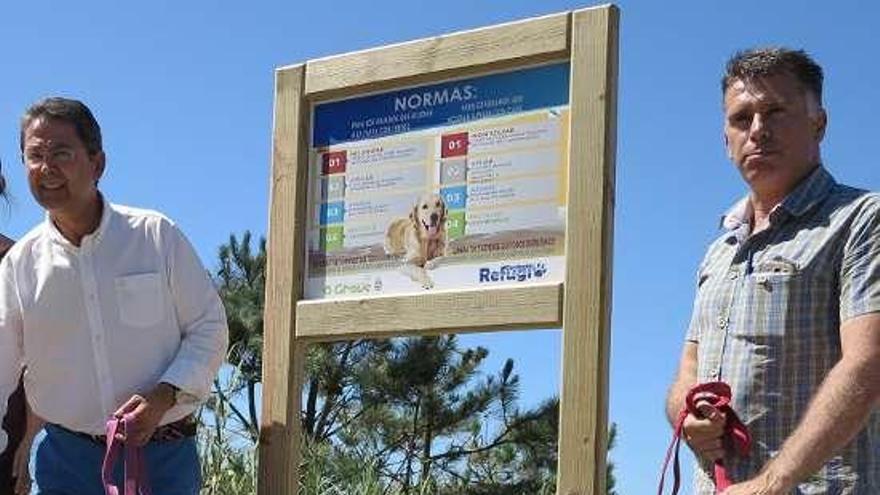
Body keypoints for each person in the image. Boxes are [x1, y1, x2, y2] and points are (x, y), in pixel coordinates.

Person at [665, 48, 880, 494]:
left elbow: (869, 362)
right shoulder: (718, 251)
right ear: (726, 140)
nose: (758, 130)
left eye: (776, 112)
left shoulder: (862, 219)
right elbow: (688, 369)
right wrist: (687, 417)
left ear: (819, 123)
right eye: (742, 119)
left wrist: (773, 482)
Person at [0, 97, 229, 495]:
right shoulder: (20, 266)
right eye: (34, 155)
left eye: (61, 153)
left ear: (98, 163)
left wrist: (164, 394)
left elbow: (209, 327)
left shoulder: (156, 237)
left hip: (164, 458)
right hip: (66, 464)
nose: (46, 167)